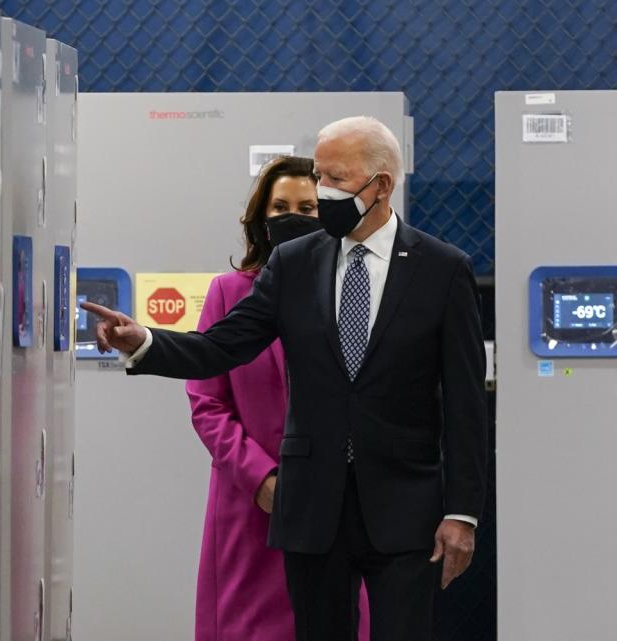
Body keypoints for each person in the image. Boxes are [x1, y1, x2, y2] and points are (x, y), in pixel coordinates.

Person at [82, 116, 487, 641]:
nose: (324, 192)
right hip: (312, 508)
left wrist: (463, 513)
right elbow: (220, 348)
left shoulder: (442, 268)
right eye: (321, 176)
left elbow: (464, 403)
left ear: (381, 185)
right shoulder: (294, 263)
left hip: (404, 510)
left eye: (337, 179)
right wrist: (146, 342)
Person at [187, 156, 369, 641]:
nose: (294, 217)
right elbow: (207, 402)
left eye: (309, 208)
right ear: (261, 219)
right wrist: (260, 477)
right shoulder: (228, 293)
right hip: (252, 505)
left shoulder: (358, 291)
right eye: (281, 207)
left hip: (336, 501)